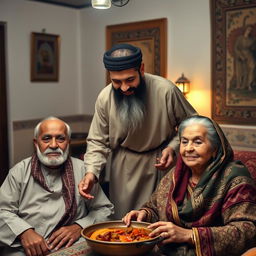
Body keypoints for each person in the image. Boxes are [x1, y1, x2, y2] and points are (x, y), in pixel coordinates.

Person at [78, 43, 197, 219]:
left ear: (141, 69)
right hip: (124, 169)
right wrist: (91, 173)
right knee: (124, 222)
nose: (124, 87)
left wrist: (173, 146)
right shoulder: (105, 97)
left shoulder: (166, 90)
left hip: (163, 164)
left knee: (162, 219)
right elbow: (98, 141)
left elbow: (192, 124)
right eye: (116, 82)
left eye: (129, 79)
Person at [123, 115, 256, 256]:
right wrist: (144, 214)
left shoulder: (234, 178)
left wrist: (190, 235)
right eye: (184, 142)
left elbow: (247, 230)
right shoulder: (175, 175)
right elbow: (155, 208)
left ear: (215, 149)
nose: (188, 148)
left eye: (197, 142)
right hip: (165, 250)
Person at [0, 117, 114, 256]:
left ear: (68, 143)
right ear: (36, 143)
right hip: (25, 249)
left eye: (60, 139)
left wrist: (79, 227)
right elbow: (2, 211)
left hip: (73, 246)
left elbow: (104, 209)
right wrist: (24, 232)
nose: (53, 145)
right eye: (46, 138)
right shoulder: (19, 172)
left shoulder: (83, 171)